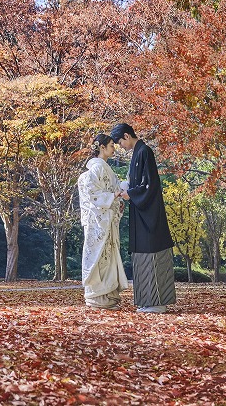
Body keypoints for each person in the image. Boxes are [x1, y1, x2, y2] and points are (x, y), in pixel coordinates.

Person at [110, 122, 175, 313]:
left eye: (120, 142)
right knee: (143, 257)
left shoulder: (144, 151)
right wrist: (128, 189)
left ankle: (156, 302)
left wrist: (131, 194)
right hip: (142, 213)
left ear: (127, 136)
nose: (121, 146)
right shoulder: (138, 153)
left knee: (152, 256)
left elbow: (150, 185)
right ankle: (149, 301)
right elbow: (138, 182)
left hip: (149, 215)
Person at [77, 134, 129, 309]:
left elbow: (113, 192)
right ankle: (98, 296)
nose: (114, 149)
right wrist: (112, 196)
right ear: (102, 147)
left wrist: (119, 197)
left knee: (108, 256)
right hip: (98, 222)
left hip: (107, 221)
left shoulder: (106, 169)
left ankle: (108, 294)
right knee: (99, 256)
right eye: (112, 145)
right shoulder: (94, 170)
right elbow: (93, 194)